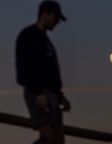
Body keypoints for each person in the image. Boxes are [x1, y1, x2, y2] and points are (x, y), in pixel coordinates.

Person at [15, 1, 71, 143]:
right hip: (38, 92)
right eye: (56, 17)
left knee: (58, 138)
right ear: (46, 13)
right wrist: (37, 92)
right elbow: (24, 66)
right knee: (48, 136)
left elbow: (51, 72)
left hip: (51, 95)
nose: (57, 22)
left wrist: (60, 96)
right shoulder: (28, 35)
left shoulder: (46, 42)